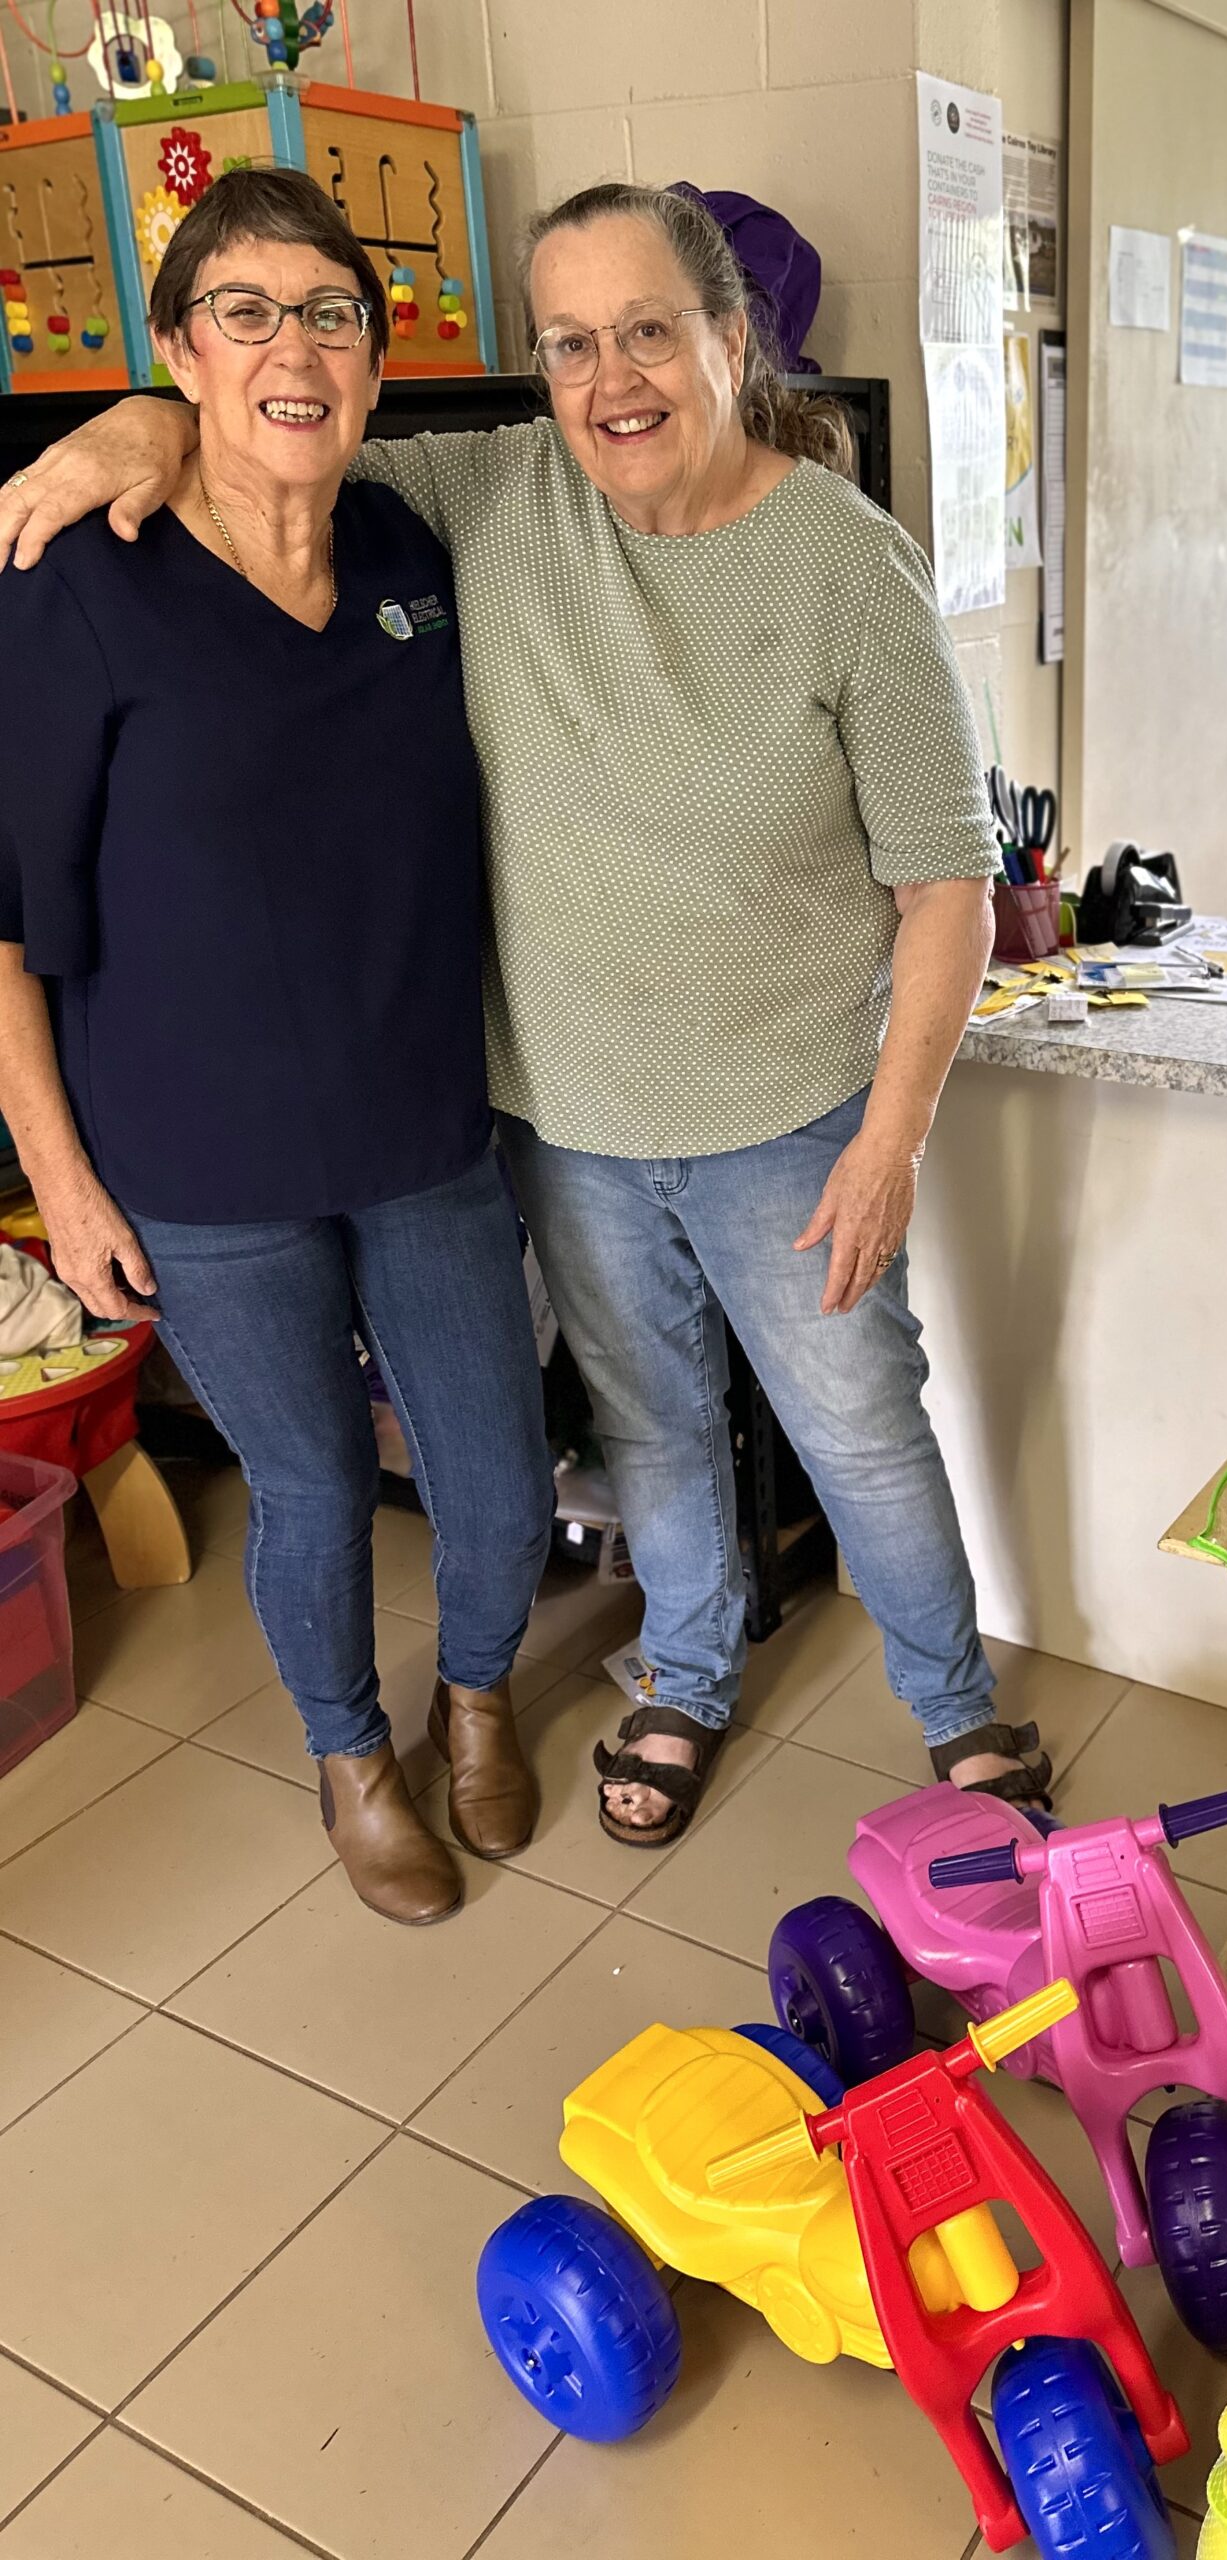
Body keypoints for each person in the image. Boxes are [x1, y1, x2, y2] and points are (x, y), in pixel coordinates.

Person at [4, 180, 1040, 1848]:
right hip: (555, 1115)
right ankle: (668, 1685)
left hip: (770, 1116)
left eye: (648, 331)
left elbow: (947, 886)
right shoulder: (482, 492)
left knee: (849, 1423)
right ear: (533, 374)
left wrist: (890, 1139)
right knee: (636, 1432)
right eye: (569, 344)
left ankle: (955, 1712)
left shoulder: (841, 566)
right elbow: (270, 433)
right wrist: (128, 422)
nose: (612, 378)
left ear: (729, 338)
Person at [0, 169, 552, 1923]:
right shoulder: (84, 578)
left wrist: (154, 414)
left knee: (494, 1467)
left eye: (329, 315)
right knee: (310, 1483)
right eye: (242, 315)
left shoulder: (411, 548)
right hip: (198, 1152)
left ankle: (475, 1695)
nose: (291, 349)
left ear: (379, 367)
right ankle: (349, 1752)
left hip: (420, 1124)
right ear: (177, 349)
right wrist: (60, 1180)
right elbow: (5, 915)